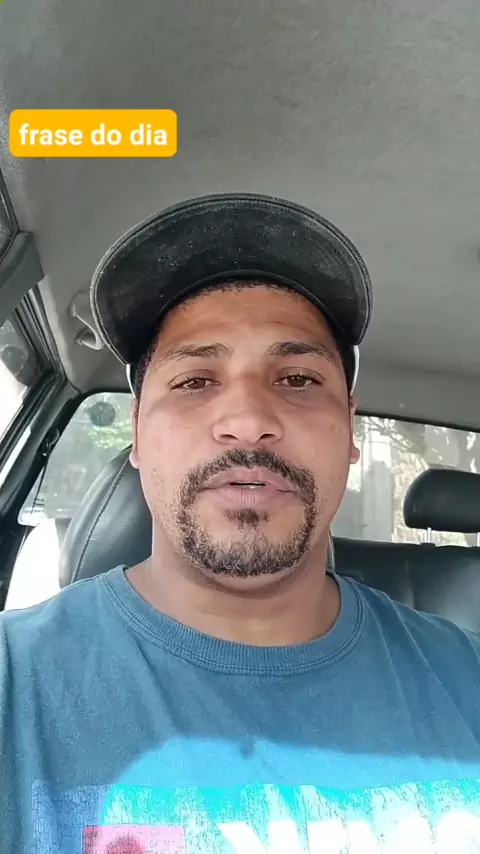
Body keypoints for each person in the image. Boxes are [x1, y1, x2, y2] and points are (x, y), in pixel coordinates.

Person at [1, 193, 480, 854]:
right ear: (137, 433)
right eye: (195, 381)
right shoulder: (13, 683)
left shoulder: (467, 679)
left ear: (349, 430)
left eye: (298, 379)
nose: (249, 420)